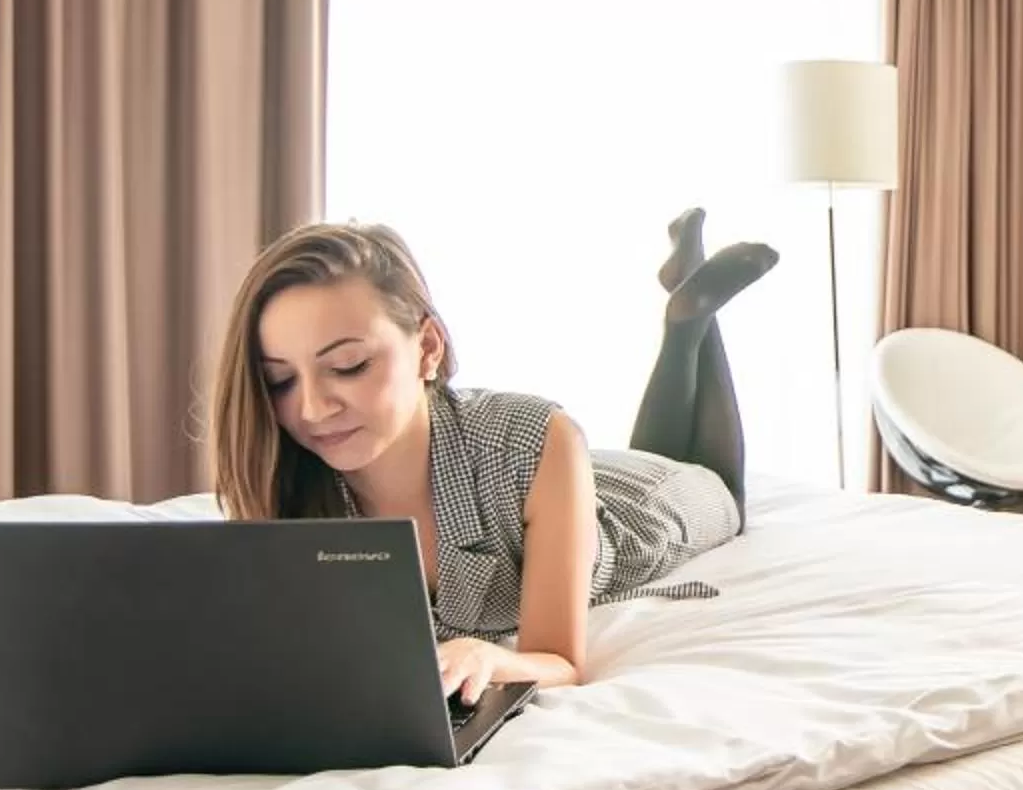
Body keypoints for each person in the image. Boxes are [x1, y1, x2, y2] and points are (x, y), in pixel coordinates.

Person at [209, 215, 772, 707]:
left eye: (349, 366)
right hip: (551, 481)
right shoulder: (282, 479)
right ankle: (685, 312)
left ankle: (691, 321)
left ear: (427, 348)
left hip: (636, 509)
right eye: (279, 380)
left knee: (718, 485)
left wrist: (487, 658)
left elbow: (558, 661)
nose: (311, 407)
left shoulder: (536, 438)